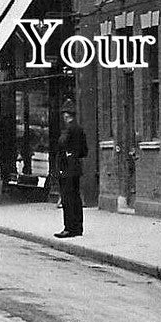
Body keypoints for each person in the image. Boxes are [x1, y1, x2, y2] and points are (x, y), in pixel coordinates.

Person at [54, 101, 88, 238]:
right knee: (76, 198)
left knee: (67, 199)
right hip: (76, 168)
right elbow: (84, 151)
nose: (63, 117)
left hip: (66, 168)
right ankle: (78, 228)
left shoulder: (69, 129)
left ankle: (69, 228)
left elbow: (61, 145)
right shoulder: (80, 129)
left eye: (64, 114)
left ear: (67, 115)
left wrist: (67, 155)